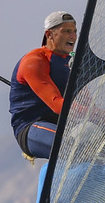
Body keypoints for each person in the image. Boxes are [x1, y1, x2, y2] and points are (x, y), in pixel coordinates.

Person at [9, 11, 76, 160]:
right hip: (31, 127)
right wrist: (95, 114)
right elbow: (57, 105)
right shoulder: (34, 61)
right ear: (49, 34)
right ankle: (49, 181)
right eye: (66, 31)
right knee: (71, 149)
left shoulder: (71, 63)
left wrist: (103, 117)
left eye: (74, 31)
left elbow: (84, 102)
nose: (73, 36)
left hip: (63, 124)